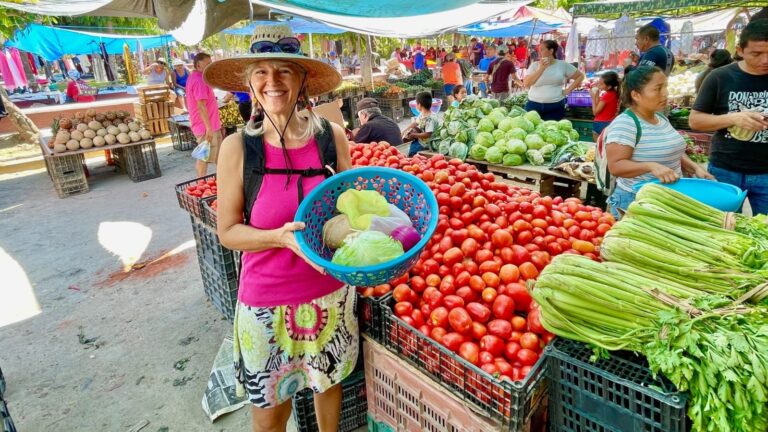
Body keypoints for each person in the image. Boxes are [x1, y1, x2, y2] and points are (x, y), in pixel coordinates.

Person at [204, 24, 356, 432]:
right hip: (265, 303)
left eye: (285, 71)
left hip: (331, 297)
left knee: (328, 387)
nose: (273, 82)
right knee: (270, 414)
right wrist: (277, 238)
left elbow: (351, 208)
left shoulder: (331, 137)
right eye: (262, 72)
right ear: (250, 85)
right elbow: (227, 231)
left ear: (303, 80)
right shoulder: (238, 148)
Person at [604, 66, 713, 218]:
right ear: (636, 95)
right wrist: (650, 166)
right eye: (658, 89)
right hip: (636, 201)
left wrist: (695, 168)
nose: (665, 93)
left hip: (666, 198)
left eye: (665, 87)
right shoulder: (626, 124)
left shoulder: (660, 118)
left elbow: (673, 151)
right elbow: (616, 166)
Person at [689, 20, 768, 215]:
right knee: (724, 229)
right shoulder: (720, 77)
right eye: (756, 54)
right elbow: (695, 120)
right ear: (740, 50)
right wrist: (733, 119)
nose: (765, 60)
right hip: (725, 169)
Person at [524, 40, 585, 121]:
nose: (539, 52)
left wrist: (568, 90)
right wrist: (541, 68)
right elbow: (527, 83)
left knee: (551, 129)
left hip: (555, 106)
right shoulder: (534, 65)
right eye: (539, 50)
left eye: (542, 49)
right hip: (533, 105)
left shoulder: (562, 65)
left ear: (551, 51)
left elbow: (580, 76)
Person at [186, 52, 222, 177]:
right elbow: (201, 106)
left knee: (218, 156)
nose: (209, 66)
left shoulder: (197, 77)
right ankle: (200, 184)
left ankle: (223, 183)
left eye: (210, 63)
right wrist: (208, 128)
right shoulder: (199, 79)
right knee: (203, 157)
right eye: (207, 64)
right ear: (198, 65)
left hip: (210, 125)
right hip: (205, 126)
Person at [403, 92, 439, 157]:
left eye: (416, 103)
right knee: (408, 145)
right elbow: (415, 123)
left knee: (409, 152)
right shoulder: (422, 114)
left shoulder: (430, 118)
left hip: (427, 144)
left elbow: (427, 134)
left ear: (419, 105)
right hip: (421, 141)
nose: (416, 105)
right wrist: (405, 131)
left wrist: (414, 135)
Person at [591, 71, 621, 140]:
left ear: (609, 86)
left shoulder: (607, 95)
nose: (598, 85)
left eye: (601, 84)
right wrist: (597, 95)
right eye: (599, 82)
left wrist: (593, 98)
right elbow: (599, 105)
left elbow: (595, 112)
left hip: (601, 124)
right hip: (608, 123)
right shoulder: (614, 93)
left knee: (599, 147)